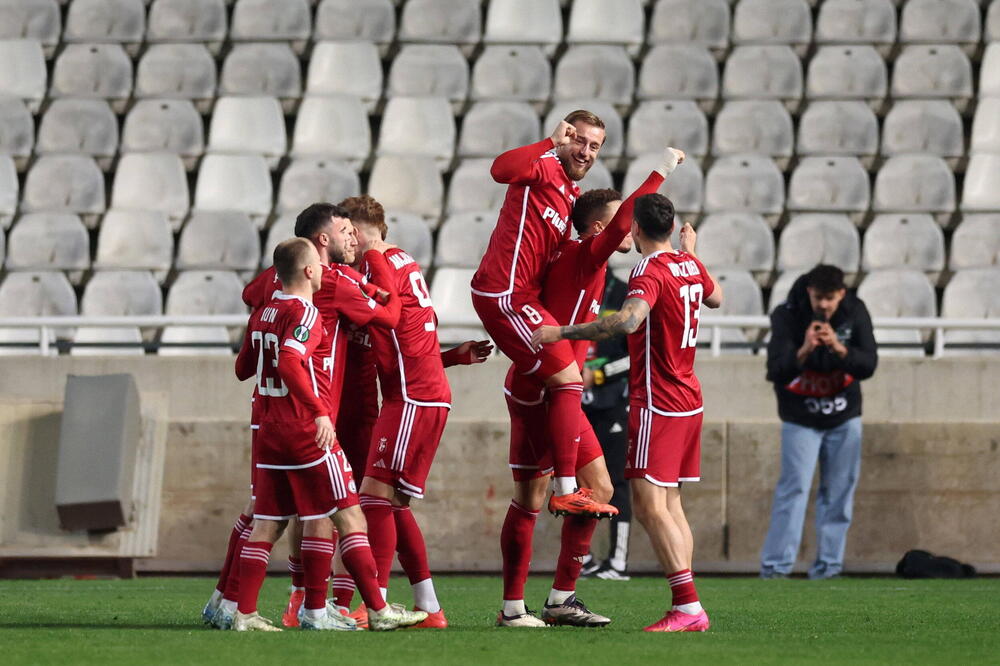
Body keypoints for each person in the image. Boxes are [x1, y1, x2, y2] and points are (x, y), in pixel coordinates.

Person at [497, 148, 684, 627]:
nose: (627, 226)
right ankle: (531, 603)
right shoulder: (586, 252)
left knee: (576, 491)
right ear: (600, 228)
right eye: (616, 220)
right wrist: (661, 168)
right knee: (547, 495)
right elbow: (627, 217)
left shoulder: (574, 255)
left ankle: (540, 603)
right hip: (548, 388)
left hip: (533, 379)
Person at [532, 193, 723, 633]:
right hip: (689, 397)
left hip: (659, 400)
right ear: (672, 228)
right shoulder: (688, 264)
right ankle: (688, 604)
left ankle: (688, 607)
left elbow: (628, 322)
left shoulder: (648, 269)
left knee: (649, 504)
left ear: (635, 229)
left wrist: (561, 330)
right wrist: (692, 253)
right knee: (671, 504)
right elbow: (716, 298)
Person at [232, 237, 428, 632]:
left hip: (269, 431)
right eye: (318, 267)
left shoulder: (264, 311)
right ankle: (377, 608)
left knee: (269, 523)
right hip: (306, 430)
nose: (324, 271)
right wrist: (319, 411)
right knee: (350, 515)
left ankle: (245, 613)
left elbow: (243, 368)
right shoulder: (306, 312)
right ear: (307, 270)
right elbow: (289, 361)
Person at [351, 210, 492, 629]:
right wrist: (455, 356)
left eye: (346, 232)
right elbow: (412, 336)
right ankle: (429, 608)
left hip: (411, 397)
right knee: (394, 504)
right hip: (422, 391)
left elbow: (391, 318)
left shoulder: (375, 260)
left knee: (373, 497)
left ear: (357, 232)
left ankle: (374, 604)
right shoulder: (406, 261)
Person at [472, 110, 617, 517]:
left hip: (527, 306)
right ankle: (566, 486)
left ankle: (562, 584)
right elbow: (500, 170)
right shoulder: (544, 165)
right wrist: (549, 142)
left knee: (590, 492)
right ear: (566, 136)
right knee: (569, 381)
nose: (585, 152)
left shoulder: (573, 202)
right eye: (580, 141)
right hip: (505, 293)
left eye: (594, 147)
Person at [759, 265, 877, 580]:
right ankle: (775, 568)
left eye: (830, 298)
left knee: (838, 492)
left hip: (844, 416)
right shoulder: (787, 314)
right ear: (809, 292)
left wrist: (839, 347)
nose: (823, 305)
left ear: (841, 294)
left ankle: (828, 566)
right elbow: (776, 370)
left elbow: (869, 364)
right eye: (818, 297)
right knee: (793, 489)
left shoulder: (855, 311)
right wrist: (805, 349)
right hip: (801, 418)